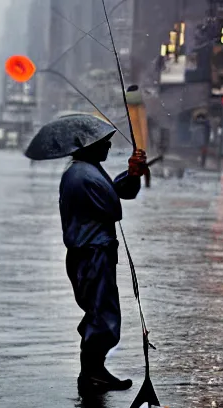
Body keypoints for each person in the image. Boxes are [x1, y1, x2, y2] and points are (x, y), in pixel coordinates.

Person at [60, 133, 149, 393]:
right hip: (91, 254)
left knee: (100, 313)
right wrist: (130, 175)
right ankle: (92, 373)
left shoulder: (87, 170)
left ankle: (93, 372)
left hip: (94, 252)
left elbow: (116, 193)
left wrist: (131, 174)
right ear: (89, 146)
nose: (109, 145)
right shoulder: (83, 175)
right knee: (103, 316)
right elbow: (114, 207)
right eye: (103, 142)